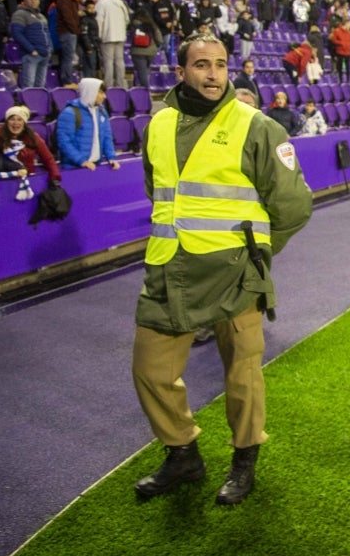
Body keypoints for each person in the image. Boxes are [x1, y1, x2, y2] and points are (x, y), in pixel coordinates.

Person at [131, 32, 312, 505]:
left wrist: (256, 255)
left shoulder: (257, 126)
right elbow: (160, 192)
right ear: (181, 72)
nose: (212, 74)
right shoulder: (160, 123)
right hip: (169, 269)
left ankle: (244, 460)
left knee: (242, 373)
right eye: (201, 65)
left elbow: (293, 207)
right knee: (150, 369)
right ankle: (183, 453)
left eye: (220, 65)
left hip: (236, 275)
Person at [56, 77, 121, 170]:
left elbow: (107, 136)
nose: (104, 96)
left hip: (95, 166)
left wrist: (111, 157)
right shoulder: (69, 113)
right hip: (74, 169)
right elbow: (64, 142)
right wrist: (81, 161)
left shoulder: (102, 111)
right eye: (101, 92)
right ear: (91, 92)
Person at [0, 105, 61, 184]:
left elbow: (48, 158)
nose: (16, 123)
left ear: (24, 123)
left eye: (20, 120)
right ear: (7, 122)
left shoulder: (32, 137)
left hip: (27, 179)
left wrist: (55, 177)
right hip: (3, 181)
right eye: (12, 119)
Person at [10, 0, 51, 88]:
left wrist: (50, 49)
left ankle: (38, 103)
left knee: (40, 86)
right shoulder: (19, 14)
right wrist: (31, 50)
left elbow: (47, 34)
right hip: (31, 54)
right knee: (29, 85)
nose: (33, 1)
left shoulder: (41, 16)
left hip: (44, 54)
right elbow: (16, 34)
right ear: (24, 1)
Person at [95, 0, 130, 89]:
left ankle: (108, 85)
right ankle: (121, 85)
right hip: (120, 35)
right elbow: (127, 19)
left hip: (107, 35)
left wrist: (99, 35)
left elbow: (99, 20)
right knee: (119, 61)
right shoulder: (121, 3)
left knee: (108, 62)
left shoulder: (102, 2)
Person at [78, 0, 100, 78]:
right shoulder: (84, 19)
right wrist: (88, 47)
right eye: (89, 8)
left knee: (92, 66)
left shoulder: (93, 19)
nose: (92, 10)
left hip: (94, 46)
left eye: (93, 8)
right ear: (85, 8)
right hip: (88, 47)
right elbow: (84, 34)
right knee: (89, 67)